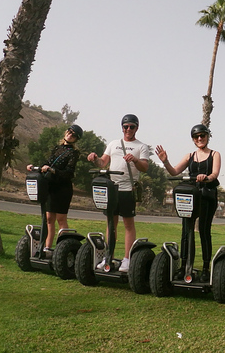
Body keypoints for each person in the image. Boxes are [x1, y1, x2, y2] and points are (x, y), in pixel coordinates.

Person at [156, 124, 221, 278]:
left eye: (202, 135)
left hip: (207, 195)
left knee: (204, 231)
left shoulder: (215, 154)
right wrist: (165, 161)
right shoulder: (190, 156)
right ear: (193, 139)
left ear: (207, 136)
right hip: (191, 196)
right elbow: (174, 172)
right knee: (187, 231)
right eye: (196, 136)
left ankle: (206, 268)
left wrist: (206, 178)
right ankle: (185, 266)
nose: (200, 138)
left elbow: (215, 174)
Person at [87, 114, 150, 272]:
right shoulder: (114, 144)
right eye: (125, 126)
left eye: (132, 127)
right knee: (111, 223)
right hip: (112, 188)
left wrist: (135, 160)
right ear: (122, 127)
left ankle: (127, 259)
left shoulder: (141, 146)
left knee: (128, 224)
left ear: (137, 128)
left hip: (128, 189)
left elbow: (145, 167)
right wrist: (94, 159)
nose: (128, 129)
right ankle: (109, 256)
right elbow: (103, 162)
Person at [26, 124, 83, 254]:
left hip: (62, 189)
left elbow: (69, 173)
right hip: (51, 187)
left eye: (74, 135)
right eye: (69, 131)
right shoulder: (57, 148)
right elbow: (47, 162)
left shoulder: (73, 153)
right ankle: (47, 248)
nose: (70, 134)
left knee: (61, 219)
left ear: (76, 139)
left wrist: (53, 170)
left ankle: (64, 249)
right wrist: (34, 167)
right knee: (49, 219)